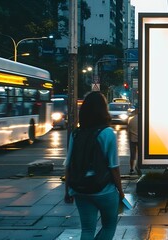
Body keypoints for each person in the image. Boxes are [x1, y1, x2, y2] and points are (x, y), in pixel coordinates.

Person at [63, 91, 124, 240]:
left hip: (80, 190)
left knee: (87, 229)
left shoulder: (76, 133)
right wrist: (120, 192)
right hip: (105, 190)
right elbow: (113, 166)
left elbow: (69, 164)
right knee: (109, 227)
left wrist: (67, 191)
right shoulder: (107, 133)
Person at [127, 105, 139, 175]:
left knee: (132, 155)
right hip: (140, 139)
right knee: (140, 155)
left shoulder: (130, 119)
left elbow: (128, 130)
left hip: (132, 139)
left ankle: (132, 169)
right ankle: (138, 167)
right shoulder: (142, 119)